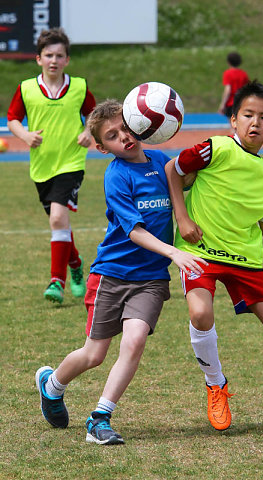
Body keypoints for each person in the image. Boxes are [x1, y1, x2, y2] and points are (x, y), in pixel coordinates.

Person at [35, 99, 207, 445]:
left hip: (151, 279)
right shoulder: (116, 175)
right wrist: (174, 252)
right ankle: (52, 386)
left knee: (134, 342)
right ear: (102, 148)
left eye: (127, 128)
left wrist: (206, 156)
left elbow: (186, 178)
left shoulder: (161, 161)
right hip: (112, 275)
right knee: (94, 355)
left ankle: (100, 418)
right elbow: (134, 231)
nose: (124, 138)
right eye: (112, 136)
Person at [165, 80, 263, 432]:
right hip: (200, 251)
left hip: (244, 259)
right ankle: (216, 385)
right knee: (200, 312)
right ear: (233, 119)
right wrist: (183, 217)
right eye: (247, 114)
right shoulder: (214, 148)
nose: (255, 123)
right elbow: (173, 169)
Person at [7, 27, 96, 305]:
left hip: (71, 163)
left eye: (59, 55)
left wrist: (89, 132)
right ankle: (76, 263)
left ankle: (56, 281)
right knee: (60, 222)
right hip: (42, 166)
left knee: (58, 218)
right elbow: (12, 119)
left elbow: (94, 114)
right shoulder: (26, 89)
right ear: (38, 59)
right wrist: (24, 135)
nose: (53, 60)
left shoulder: (79, 87)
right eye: (48, 55)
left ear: (67, 59)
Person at [218, 52, 249, 132]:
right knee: (240, 124)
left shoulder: (228, 73)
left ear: (228, 62)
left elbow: (228, 90)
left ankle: (235, 142)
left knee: (233, 126)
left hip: (231, 103)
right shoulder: (243, 74)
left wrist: (222, 104)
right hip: (242, 102)